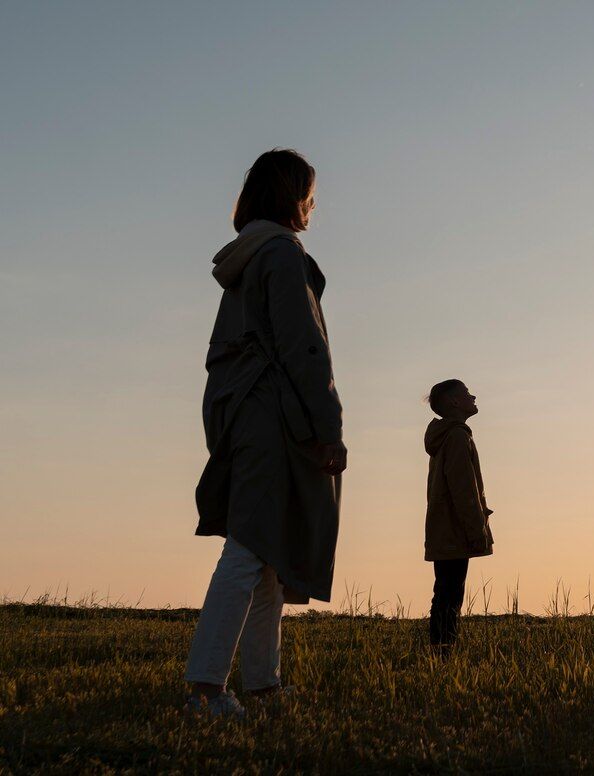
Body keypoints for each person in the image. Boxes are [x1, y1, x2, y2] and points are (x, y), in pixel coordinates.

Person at [184, 149, 346, 716]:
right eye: (309, 192)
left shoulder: (247, 259)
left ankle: (263, 684)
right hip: (273, 415)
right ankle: (206, 688)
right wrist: (329, 427)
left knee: (267, 552)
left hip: (242, 412)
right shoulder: (279, 253)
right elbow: (304, 346)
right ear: (290, 195)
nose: (314, 204)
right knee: (251, 547)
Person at [424, 379, 494, 652]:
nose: (473, 396)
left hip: (444, 527)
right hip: (454, 529)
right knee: (450, 593)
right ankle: (443, 651)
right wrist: (476, 530)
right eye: (466, 394)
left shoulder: (448, 435)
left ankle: (440, 648)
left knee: (446, 590)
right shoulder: (455, 436)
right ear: (454, 402)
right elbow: (464, 490)